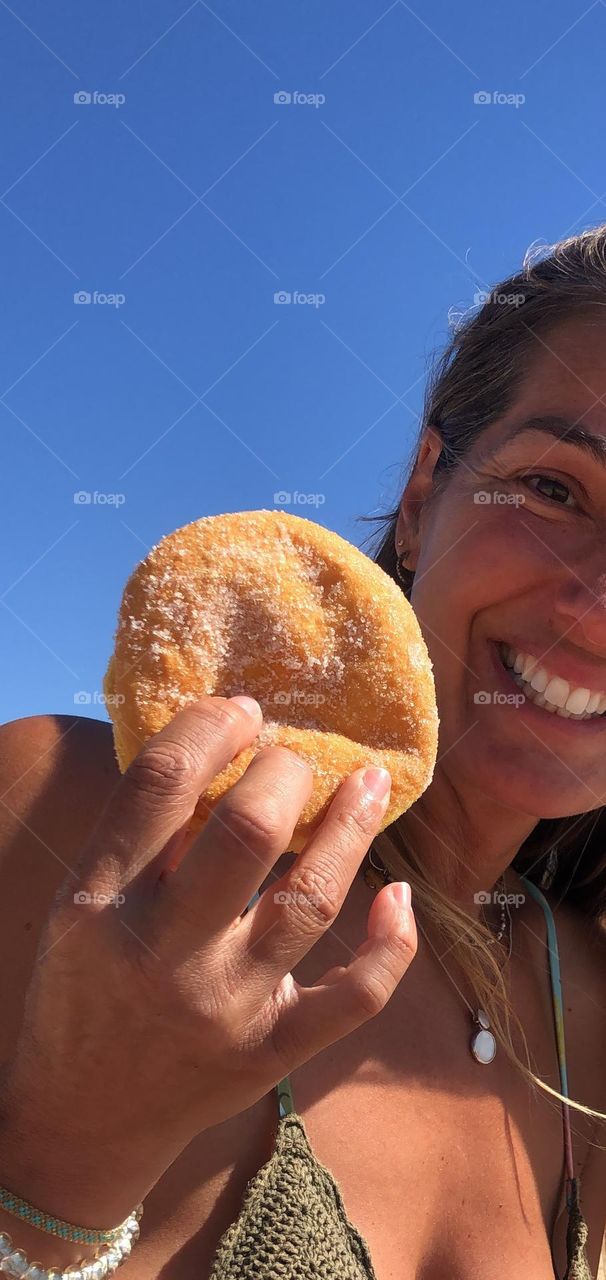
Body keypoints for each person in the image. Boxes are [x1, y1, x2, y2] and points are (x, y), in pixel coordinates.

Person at [1, 223, 606, 1280]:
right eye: (557, 490)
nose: (597, 607)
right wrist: (66, 1164)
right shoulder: (64, 823)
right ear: (424, 497)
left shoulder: (589, 1002)